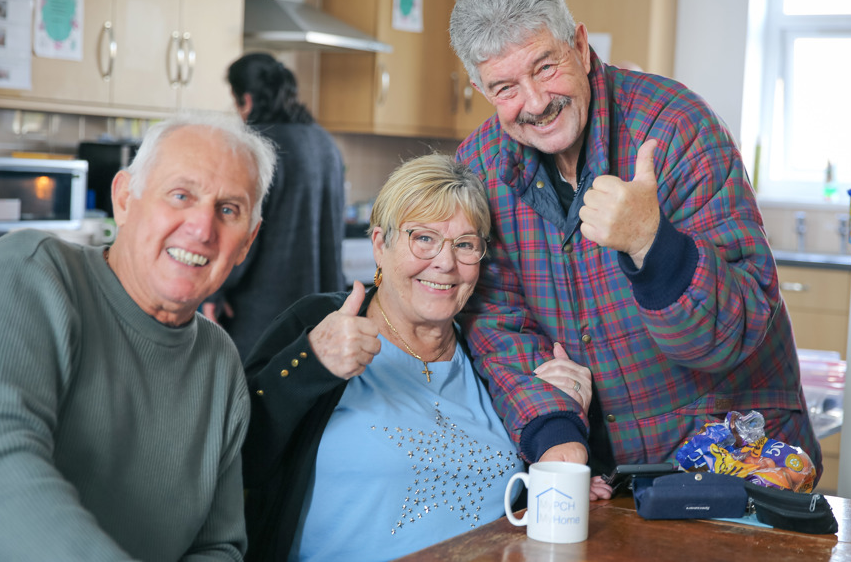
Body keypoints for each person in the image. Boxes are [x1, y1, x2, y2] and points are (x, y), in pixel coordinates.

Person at [448, 0, 822, 494]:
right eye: (505, 87)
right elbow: (496, 329)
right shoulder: (482, 165)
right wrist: (556, 433)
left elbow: (734, 333)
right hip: (604, 475)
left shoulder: (675, 126)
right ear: (479, 88)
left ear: (578, 43)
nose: (534, 103)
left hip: (739, 459)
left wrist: (652, 244)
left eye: (545, 67)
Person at [0, 112, 276, 560]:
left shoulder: (220, 362)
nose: (202, 228)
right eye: (181, 195)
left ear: (246, 242)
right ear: (124, 199)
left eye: (228, 210)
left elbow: (216, 545)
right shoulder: (31, 273)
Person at [240, 154, 592, 562]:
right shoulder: (322, 323)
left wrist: (562, 405)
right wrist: (311, 363)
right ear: (379, 245)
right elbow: (237, 456)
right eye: (423, 238)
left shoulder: (489, 351)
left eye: (464, 244)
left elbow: (523, 497)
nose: (445, 263)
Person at [202, 52, 346, 360]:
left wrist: (215, 291)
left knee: (254, 402)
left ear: (248, 100)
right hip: (321, 311)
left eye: (236, 102)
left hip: (263, 316)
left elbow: (242, 231)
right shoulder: (325, 142)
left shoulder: (259, 147)